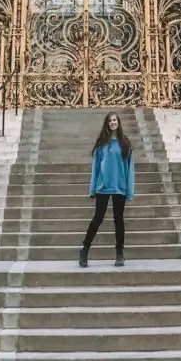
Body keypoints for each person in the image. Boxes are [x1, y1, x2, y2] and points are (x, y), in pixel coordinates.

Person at [79, 112, 135, 269]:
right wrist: (92, 189)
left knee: (119, 220)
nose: (113, 122)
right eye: (110, 120)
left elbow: (130, 169)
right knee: (98, 218)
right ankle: (84, 250)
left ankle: (119, 254)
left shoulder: (125, 143)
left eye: (115, 120)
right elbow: (95, 168)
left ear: (119, 122)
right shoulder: (101, 143)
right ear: (107, 123)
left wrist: (129, 191)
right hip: (103, 187)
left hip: (120, 187)